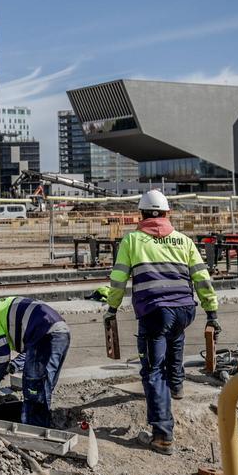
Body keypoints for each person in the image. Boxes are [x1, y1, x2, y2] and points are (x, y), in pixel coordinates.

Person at [98, 190, 219, 455]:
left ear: (141, 215)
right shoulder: (183, 241)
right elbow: (202, 277)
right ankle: (177, 387)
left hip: (154, 311)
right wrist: (212, 312)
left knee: (153, 370)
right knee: (175, 336)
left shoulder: (133, 241)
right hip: (185, 309)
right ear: (166, 214)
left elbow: (118, 280)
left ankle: (163, 435)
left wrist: (112, 308)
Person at [0, 296, 71, 427]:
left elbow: (1, 355)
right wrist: (12, 366)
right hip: (60, 332)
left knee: (33, 390)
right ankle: (42, 429)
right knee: (42, 388)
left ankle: (32, 434)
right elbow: (30, 352)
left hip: (45, 333)